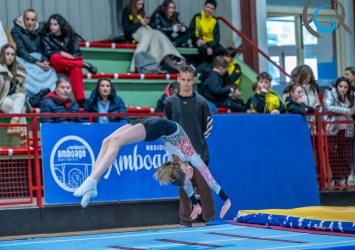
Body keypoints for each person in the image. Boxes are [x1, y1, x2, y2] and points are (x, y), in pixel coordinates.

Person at [73, 116, 232, 220]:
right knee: (110, 141)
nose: (191, 180)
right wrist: (226, 200)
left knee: (113, 142)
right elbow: (210, 179)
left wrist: (195, 204)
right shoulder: (191, 157)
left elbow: (186, 185)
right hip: (157, 124)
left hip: (157, 126)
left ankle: (93, 182)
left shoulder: (175, 160)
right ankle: (93, 182)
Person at [164, 65, 215, 227]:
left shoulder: (202, 102)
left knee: (205, 188)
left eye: (189, 80)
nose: (185, 83)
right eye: (183, 80)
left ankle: (210, 219)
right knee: (184, 189)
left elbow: (208, 127)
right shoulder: (170, 102)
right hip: (179, 156)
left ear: (193, 81)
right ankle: (185, 220)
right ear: (178, 79)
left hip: (199, 153)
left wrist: (197, 143)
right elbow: (167, 126)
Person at [42, 14, 96, 108]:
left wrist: (69, 57)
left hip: (69, 64)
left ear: (61, 25)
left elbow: (77, 53)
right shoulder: (46, 37)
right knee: (55, 57)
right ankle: (83, 64)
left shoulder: (70, 36)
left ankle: (81, 100)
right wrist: (61, 52)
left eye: (55, 24)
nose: (52, 27)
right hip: (57, 64)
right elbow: (47, 52)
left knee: (76, 69)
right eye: (51, 24)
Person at [122, 0, 186, 73]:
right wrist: (139, 23)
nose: (140, 7)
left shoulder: (141, 12)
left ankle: (169, 57)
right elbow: (127, 30)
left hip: (146, 32)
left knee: (157, 33)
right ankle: (135, 66)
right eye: (138, 4)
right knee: (151, 34)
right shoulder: (126, 11)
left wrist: (147, 22)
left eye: (142, 4)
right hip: (134, 34)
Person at [11, 9, 57, 97]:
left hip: (39, 59)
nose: (29, 22)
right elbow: (21, 51)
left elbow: (43, 49)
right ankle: (32, 97)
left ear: (36, 20)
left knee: (51, 71)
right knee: (27, 73)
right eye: (27, 19)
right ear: (23, 19)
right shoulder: (16, 31)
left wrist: (45, 61)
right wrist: (36, 62)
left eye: (32, 20)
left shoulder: (40, 30)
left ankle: (47, 96)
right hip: (24, 59)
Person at [323, 77, 355, 188]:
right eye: (340, 86)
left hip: (347, 130)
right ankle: (337, 179)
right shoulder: (329, 93)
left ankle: (345, 179)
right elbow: (328, 107)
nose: (343, 89)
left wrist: (351, 111)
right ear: (337, 86)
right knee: (333, 154)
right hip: (332, 129)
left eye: (345, 87)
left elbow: (353, 109)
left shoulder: (351, 95)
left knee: (346, 155)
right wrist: (346, 111)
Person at [189, 0, 223, 64]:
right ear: (204, 7)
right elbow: (190, 31)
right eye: (207, 7)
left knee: (221, 49)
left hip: (210, 42)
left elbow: (217, 37)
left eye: (211, 8)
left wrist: (211, 46)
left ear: (214, 10)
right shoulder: (197, 17)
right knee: (204, 49)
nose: (209, 10)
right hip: (199, 41)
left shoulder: (214, 20)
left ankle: (215, 68)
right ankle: (203, 68)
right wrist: (197, 39)